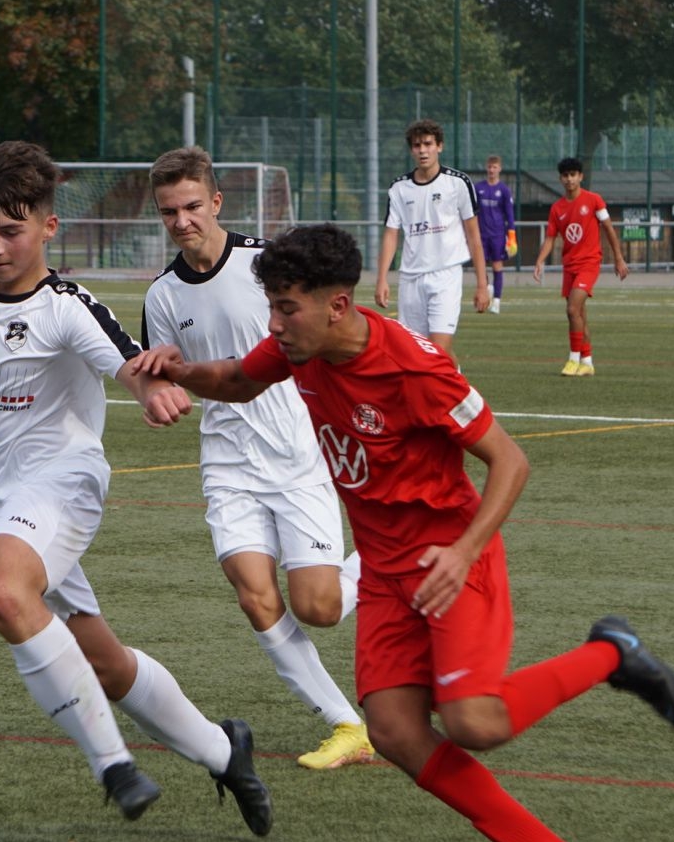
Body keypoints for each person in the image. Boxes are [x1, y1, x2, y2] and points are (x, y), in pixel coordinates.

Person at [135, 223, 674, 842]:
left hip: (448, 561)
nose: (273, 324)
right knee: (395, 733)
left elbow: (511, 461)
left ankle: (611, 654)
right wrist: (178, 370)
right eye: (271, 306)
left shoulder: (415, 368)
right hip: (384, 575)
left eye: (286, 308)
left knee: (474, 723)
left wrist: (464, 552)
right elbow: (239, 381)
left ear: (338, 304)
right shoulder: (298, 347)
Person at [0, 140, 273, 834]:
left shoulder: (66, 307)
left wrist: (155, 392)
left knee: (4, 594)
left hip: (61, 483)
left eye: (12, 231)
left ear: (48, 227)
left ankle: (114, 766)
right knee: (104, 662)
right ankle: (224, 751)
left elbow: (131, 366)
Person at [141, 146, 373, 771]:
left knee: (319, 609)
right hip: (227, 462)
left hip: (296, 453)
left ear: (216, 201)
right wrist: (158, 393)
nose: (182, 221)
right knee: (254, 596)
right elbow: (163, 371)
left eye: (192, 206)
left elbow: (327, 336)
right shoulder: (162, 295)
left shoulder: (264, 266)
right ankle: (347, 724)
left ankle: (388, 557)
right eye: (168, 212)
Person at [374, 119, 489, 359]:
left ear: (440, 146)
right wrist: (382, 279)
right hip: (411, 278)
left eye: (428, 144)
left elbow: (474, 236)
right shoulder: (399, 188)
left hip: (446, 275)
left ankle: (451, 380)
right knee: (417, 354)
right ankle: (455, 376)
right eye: (417, 145)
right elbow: (391, 234)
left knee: (438, 351)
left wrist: (482, 285)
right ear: (411, 150)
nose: (423, 150)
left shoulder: (458, 183)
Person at [530, 157, 629, 376]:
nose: (569, 179)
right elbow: (550, 238)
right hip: (569, 266)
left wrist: (619, 258)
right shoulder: (557, 208)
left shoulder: (594, 200)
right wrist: (540, 260)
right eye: (565, 175)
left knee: (572, 309)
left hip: (589, 263)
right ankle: (587, 362)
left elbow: (608, 228)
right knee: (579, 315)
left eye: (573, 175)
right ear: (560, 179)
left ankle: (573, 359)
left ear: (580, 177)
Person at [474, 155, 516, 314]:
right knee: (481, 266)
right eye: (490, 167)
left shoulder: (504, 190)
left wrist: (511, 236)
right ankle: (486, 289)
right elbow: (473, 211)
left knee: (497, 265)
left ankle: (497, 300)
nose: (492, 170)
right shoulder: (478, 188)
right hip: (481, 235)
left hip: (498, 235)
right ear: (486, 168)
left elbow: (509, 214)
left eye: (495, 167)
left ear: (500, 169)